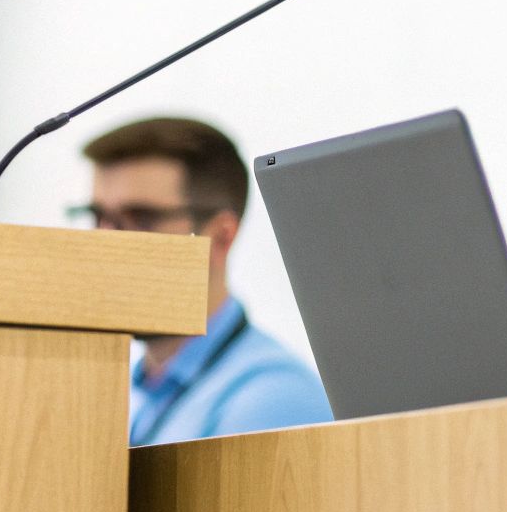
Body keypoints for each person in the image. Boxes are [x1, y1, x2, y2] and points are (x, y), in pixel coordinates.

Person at [78, 117, 333, 444]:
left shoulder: (271, 401)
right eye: (100, 218)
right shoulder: (133, 388)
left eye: (140, 219)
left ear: (219, 237)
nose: (105, 244)